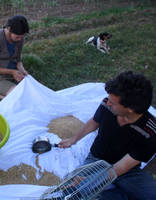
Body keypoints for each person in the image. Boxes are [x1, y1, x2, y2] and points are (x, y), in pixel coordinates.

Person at [59, 71, 156, 200]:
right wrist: (73, 139)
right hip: (96, 160)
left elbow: (121, 168)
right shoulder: (107, 105)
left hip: (127, 171)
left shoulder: (150, 133)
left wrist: (93, 182)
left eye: (113, 102)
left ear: (130, 108)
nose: (108, 103)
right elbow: (94, 121)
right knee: (72, 192)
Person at [0, 15, 29, 99]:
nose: (20, 39)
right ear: (9, 29)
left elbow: (18, 60)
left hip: (14, 75)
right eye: (17, 37)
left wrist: (22, 70)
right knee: (18, 96)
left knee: (31, 92)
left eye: (22, 36)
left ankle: (3, 94)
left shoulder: (20, 38)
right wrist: (12, 72)